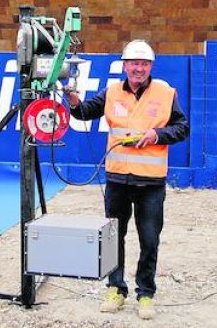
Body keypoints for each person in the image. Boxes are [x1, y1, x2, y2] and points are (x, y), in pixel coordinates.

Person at [65, 39, 189, 321]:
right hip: (118, 179)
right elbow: (84, 112)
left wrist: (157, 135)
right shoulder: (111, 92)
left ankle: (145, 293)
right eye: (134, 63)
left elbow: (182, 127)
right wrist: (73, 100)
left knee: (149, 239)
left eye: (144, 63)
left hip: (151, 183)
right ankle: (115, 289)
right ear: (125, 65)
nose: (139, 68)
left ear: (151, 67)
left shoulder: (165, 93)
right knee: (114, 238)